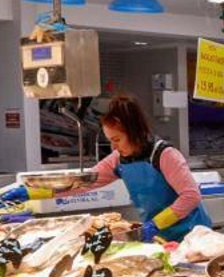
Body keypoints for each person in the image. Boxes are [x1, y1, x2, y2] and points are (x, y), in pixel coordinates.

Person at [89, 93, 211, 241]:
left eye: (117, 139)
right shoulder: (118, 159)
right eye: (110, 141)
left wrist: (154, 225)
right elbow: (86, 181)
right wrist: (53, 191)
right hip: (160, 237)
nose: (113, 147)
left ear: (134, 132)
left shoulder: (165, 155)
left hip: (192, 236)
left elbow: (191, 196)